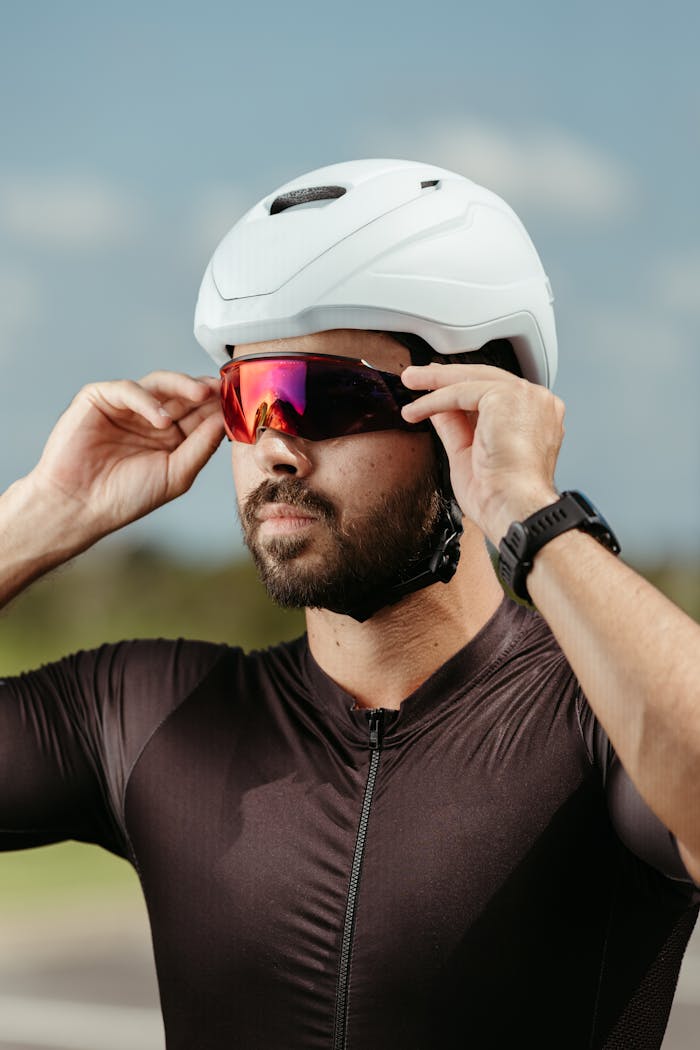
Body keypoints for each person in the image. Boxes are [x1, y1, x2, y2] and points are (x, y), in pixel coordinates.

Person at [1, 158, 699, 1050]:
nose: (276, 448)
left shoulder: (598, 717)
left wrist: (534, 513)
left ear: (473, 413)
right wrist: (40, 515)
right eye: (249, 401)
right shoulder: (146, 715)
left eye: (326, 396)